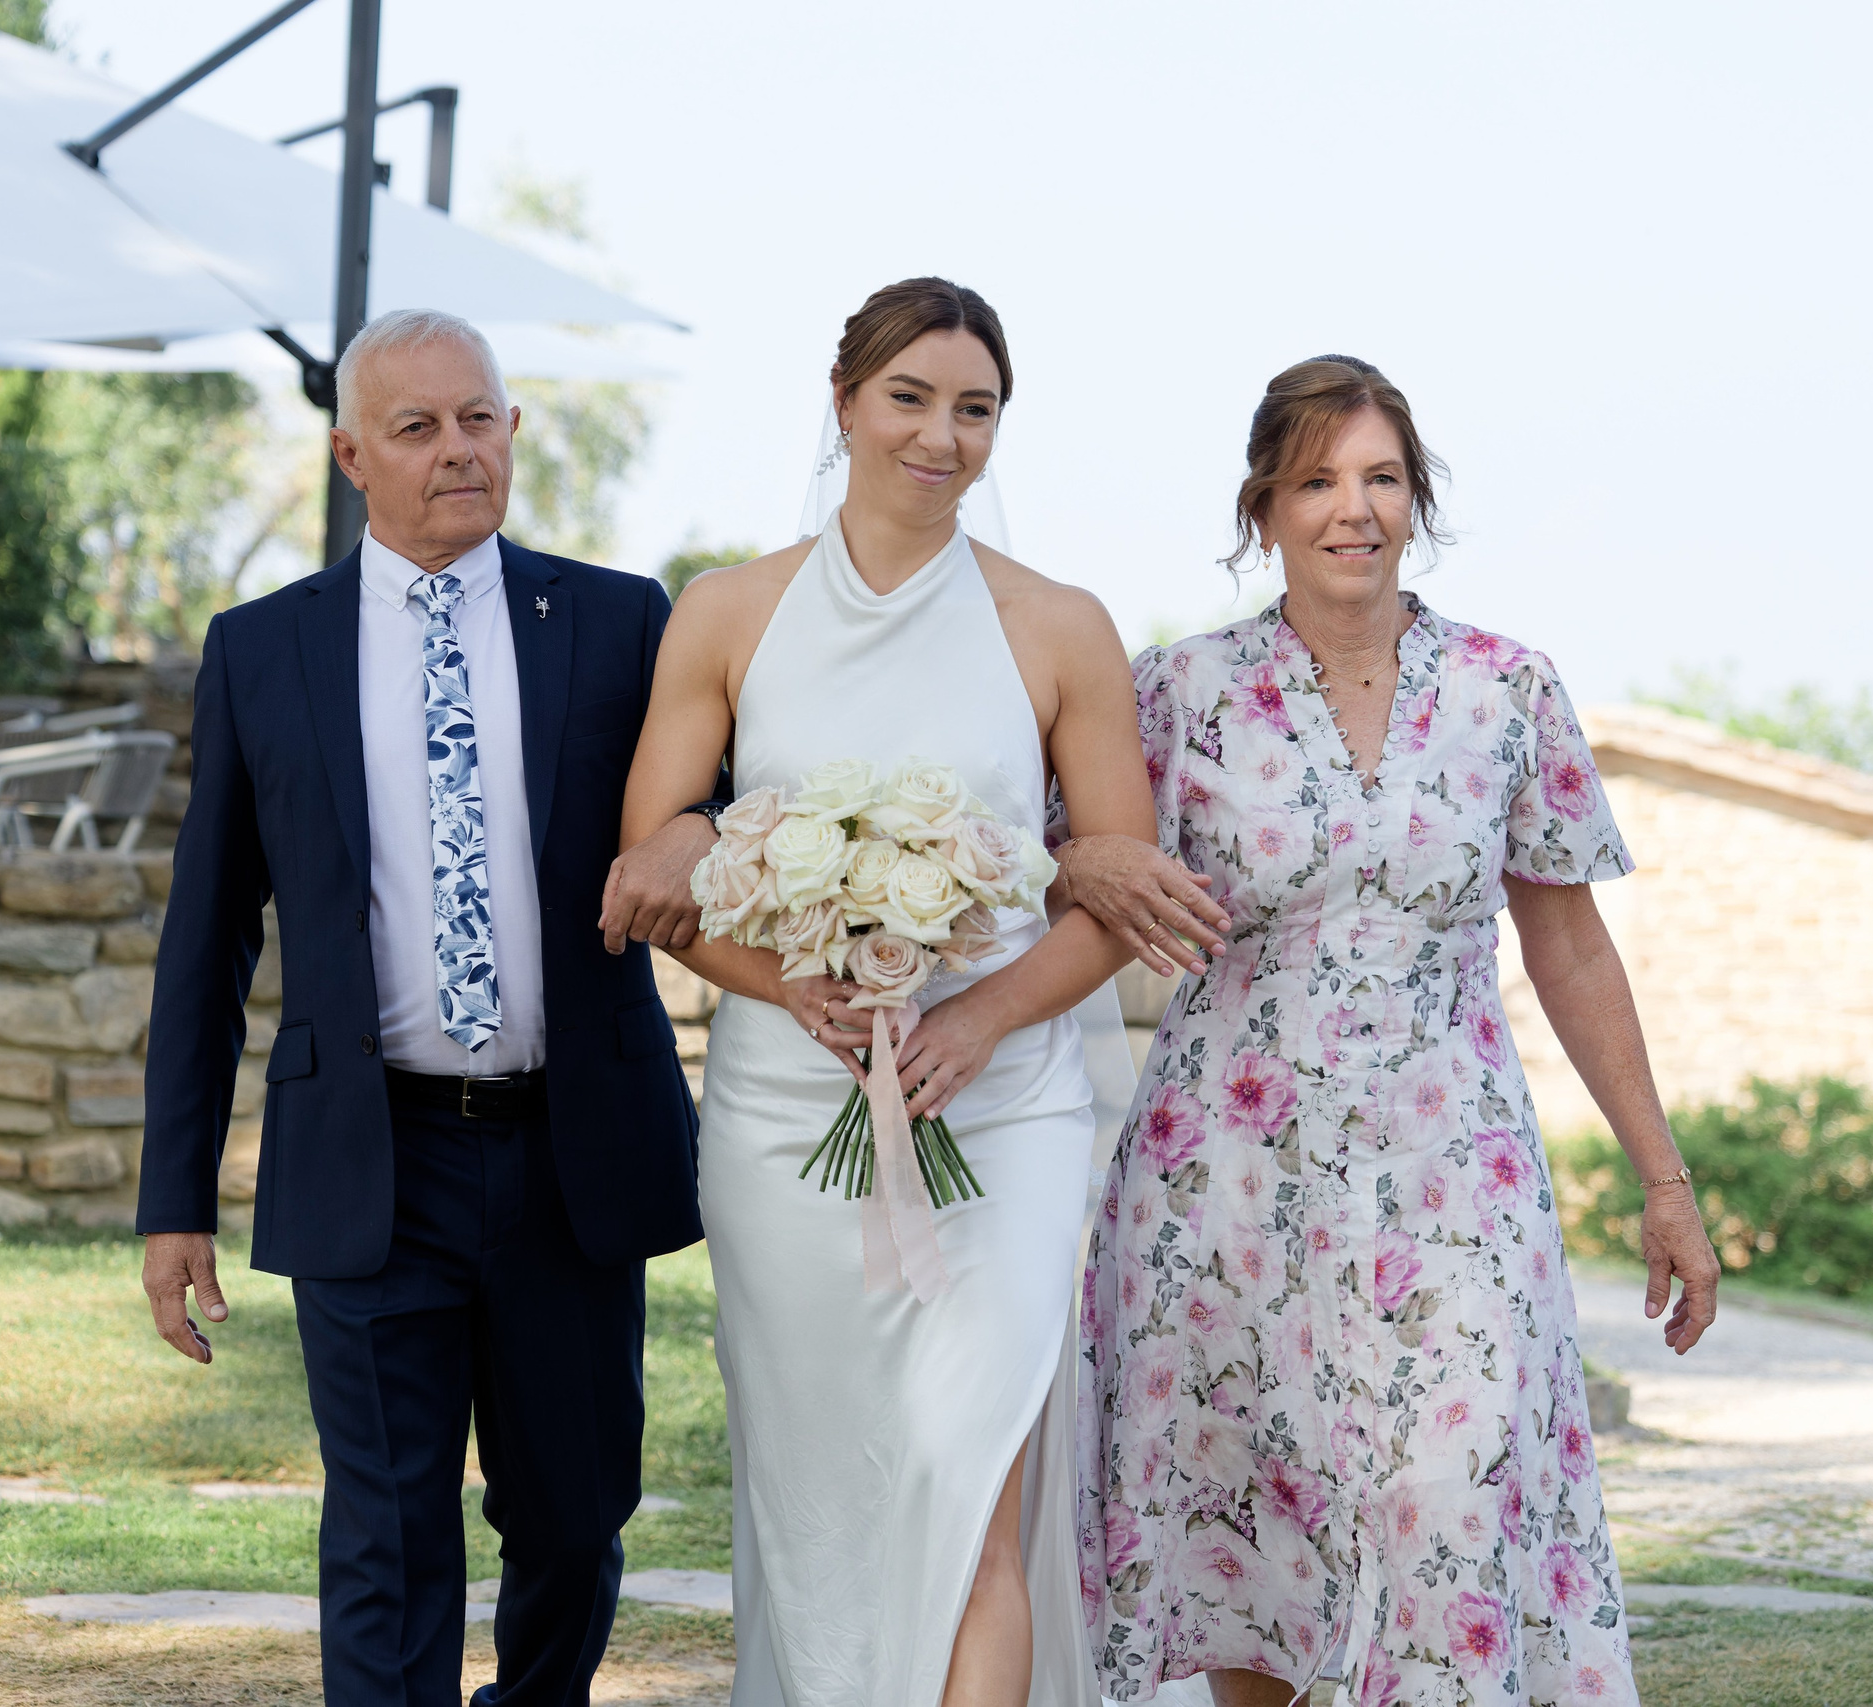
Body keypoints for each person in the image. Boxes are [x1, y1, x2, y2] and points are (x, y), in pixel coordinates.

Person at [1056, 357, 1720, 1707]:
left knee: (1449, 1511)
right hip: (1227, 1189)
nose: (1351, 510)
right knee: (1257, 1553)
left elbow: (1572, 944)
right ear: (1265, 508)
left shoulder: (1507, 690)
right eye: (1316, 480)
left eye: (1380, 478)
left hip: (1450, 1178)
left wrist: (1665, 1182)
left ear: (1418, 500)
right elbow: (1073, 875)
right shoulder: (1177, 694)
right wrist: (1076, 869)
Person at [136, 308, 716, 1707]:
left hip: (570, 1154)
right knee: (389, 1540)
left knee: (574, 1526)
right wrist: (174, 1199)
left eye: (480, 417)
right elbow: (206, 935)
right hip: (369, 1160)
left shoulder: (623, 620)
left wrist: (701, 827)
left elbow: (713, 807)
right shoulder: (262, 651)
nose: (459, 449)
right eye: (418, 428)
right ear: (351, 455)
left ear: (513, 428)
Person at [614, 277, 1152, 1707]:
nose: (941, 434)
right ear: (845, 400)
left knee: (975, 1482)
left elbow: (1115, 895)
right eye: (911, 397)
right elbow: (656, 873)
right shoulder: (729, 613)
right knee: (827, 1500)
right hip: (789, 1120)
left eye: (974, 409)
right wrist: (794, 988)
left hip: (1007, 1114)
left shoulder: (1060, 628)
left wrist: (979, 1016)